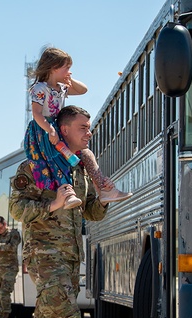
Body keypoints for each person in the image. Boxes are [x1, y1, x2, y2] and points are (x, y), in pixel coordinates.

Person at [8, 105, 126, 318]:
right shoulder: (35, 166)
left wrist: (103, 198)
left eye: (89, 127)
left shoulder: (78, 169)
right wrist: (54, 204)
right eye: (83, 127)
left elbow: (90, 212)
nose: (89, 132)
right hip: (45, 258)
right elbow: (18, 209)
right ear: (63, 131)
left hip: (71, 260)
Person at [24, 46, 131, 209]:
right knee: (55, 159)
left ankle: (104, 189)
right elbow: (37, 113)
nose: (69, 71)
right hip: (44, 131)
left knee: (85, 154)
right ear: (54, 68)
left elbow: (83, 90)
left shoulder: (61, 88)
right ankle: (67, 194)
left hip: (58, 128)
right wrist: (50, 130)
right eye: (66, 68)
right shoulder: (40, 88)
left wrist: (70, 81)